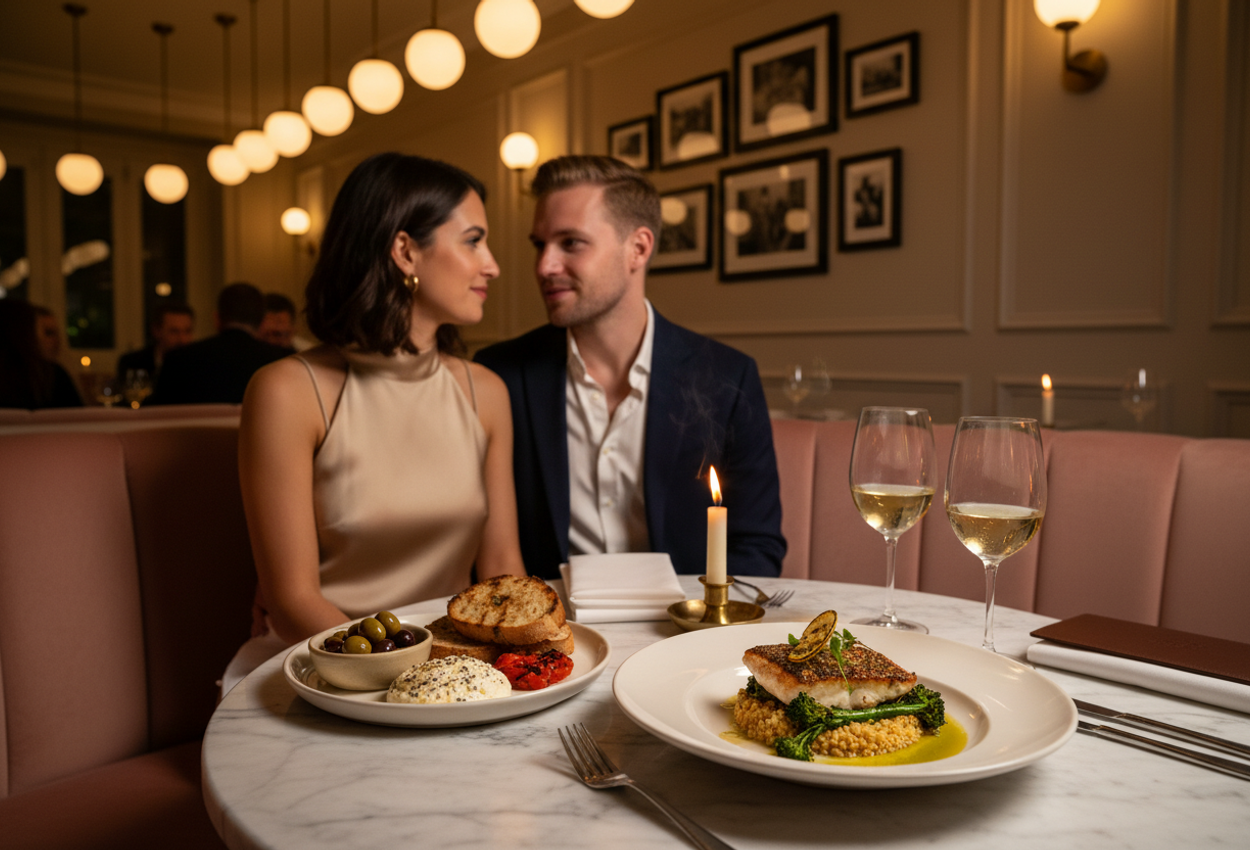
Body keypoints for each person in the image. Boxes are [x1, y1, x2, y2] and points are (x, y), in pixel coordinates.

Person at [237, 152, 526, 651]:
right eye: (473, 241)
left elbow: (502, 570)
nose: (492, 265)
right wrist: (415, 670)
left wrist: (511, 663)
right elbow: (292, 602)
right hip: (327, 658)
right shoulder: (286, 392)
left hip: (459, 667)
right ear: (405, 251)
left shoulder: (486, 392)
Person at [475, 155, 784, 580]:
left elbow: (758, 547)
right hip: (555, 636)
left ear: (638, 248)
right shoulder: (500, 376)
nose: (544, 266)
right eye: (539, 244)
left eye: (571, 243)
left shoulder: (727, 377)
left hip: (681, 634)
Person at [145, 283, 288, 405]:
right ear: (263, 323)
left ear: (217, 319)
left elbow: (157, 415)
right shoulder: (282, 360)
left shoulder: (177, 359)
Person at [0, 299, 82, 409]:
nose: (55, 340)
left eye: (55, 333)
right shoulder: (49, 376)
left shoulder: (53, 374)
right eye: (46, 332)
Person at [116, 301, 195, 385]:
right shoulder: (132, 363)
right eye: (174, 331)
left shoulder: (198, 365)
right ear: (156, 331)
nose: (182, 339)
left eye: (187, 331)